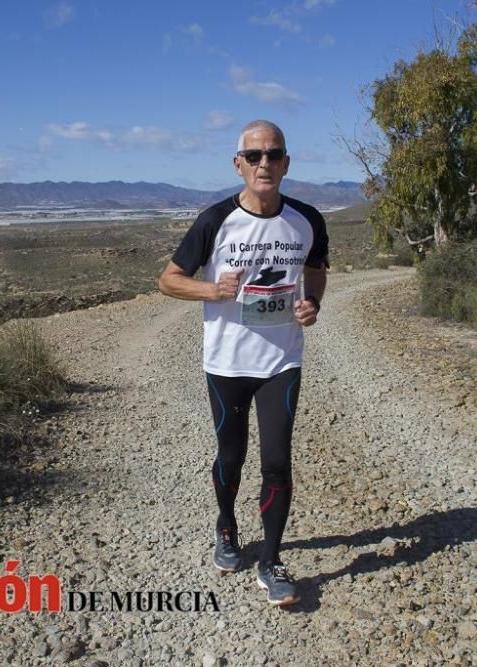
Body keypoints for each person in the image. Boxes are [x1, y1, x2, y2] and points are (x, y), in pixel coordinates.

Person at [158, 120, 329, 606]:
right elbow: (168, 280)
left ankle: (271, 560)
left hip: (281, 361)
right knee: (230, 458)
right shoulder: (215, 220)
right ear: (239, 164)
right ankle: (227, 527)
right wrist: (212, 289)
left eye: (273, 155)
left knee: (277, 461)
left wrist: (311, 304)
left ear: (286, 163)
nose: (264, 164)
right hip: (226, 363)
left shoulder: (307, 220)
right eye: (254, 156)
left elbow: (315, 270)